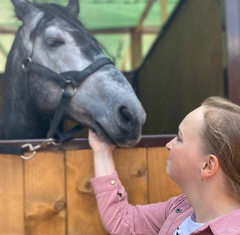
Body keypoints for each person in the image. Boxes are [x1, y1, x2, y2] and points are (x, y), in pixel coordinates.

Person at [88, 96, 240, 235]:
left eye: (179, 138)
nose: (169, 144)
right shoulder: (182, 208)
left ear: (208, 165)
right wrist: (102, 152)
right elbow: (124, 221)